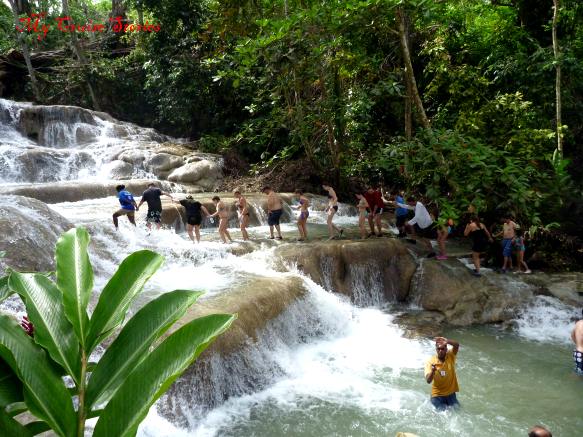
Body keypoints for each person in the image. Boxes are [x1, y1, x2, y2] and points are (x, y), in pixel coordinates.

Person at [424, 336, 460, 411]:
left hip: (451, 395)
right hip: (437, 396)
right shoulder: (431, 362)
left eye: (443, 349)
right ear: (436, 350)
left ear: (446, 349)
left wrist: (448, 341)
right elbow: (428, 380)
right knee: (443, 415)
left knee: (458, 411)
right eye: (438, 349)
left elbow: (456, 345)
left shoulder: (450, 356)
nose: (440, 351)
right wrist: (432, 372)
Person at [571, 309, 583, 376]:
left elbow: (572, 335)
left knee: (577, 371)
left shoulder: (578, 323)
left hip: (577, 352)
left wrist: (578, 344)